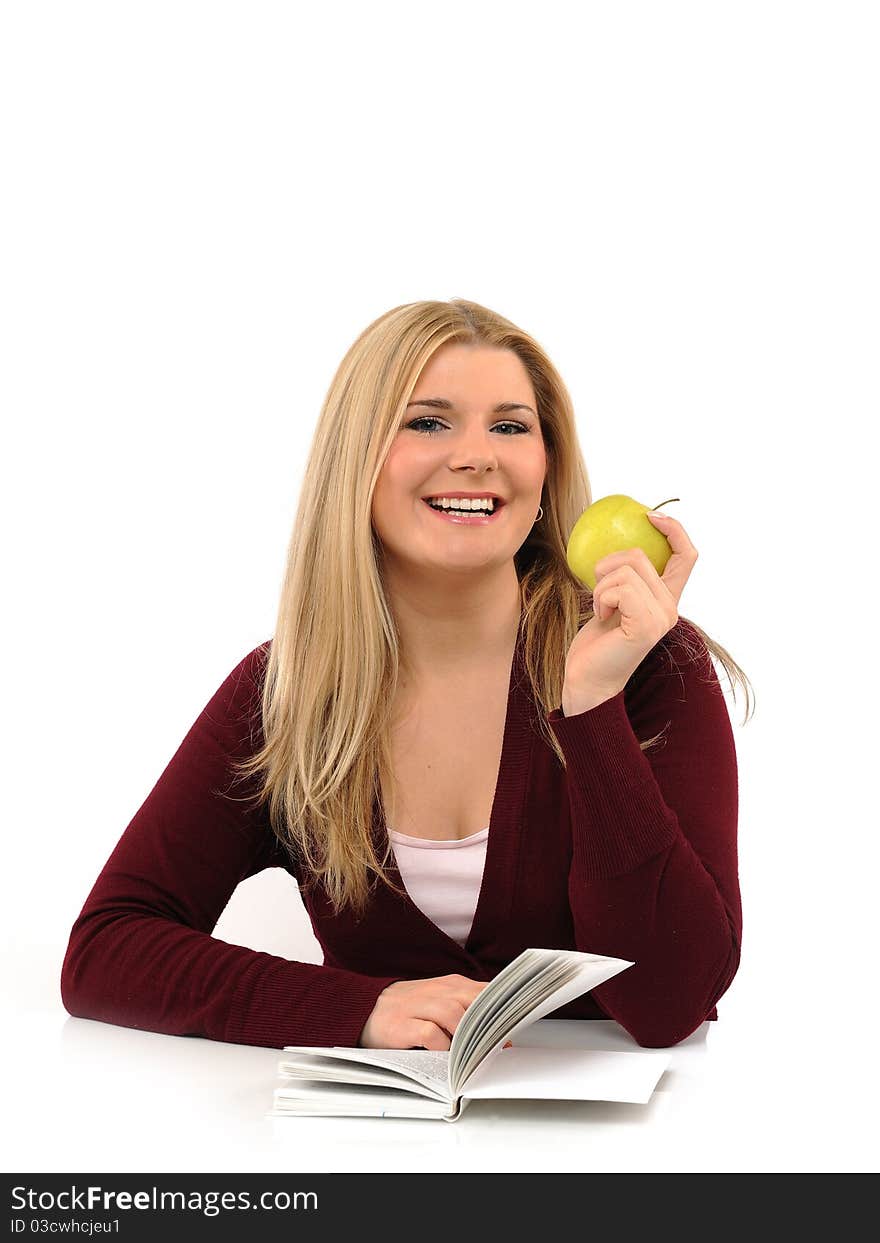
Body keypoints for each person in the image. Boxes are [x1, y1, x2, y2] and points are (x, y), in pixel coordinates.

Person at [61, 298, 752, 1053]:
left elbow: (672, 1002)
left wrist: (592, 710)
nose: (477, 454)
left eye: (511, 425)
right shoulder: (286, 693)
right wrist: (360, 1007)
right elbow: (106, 948)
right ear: (357, 456)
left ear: (546, 463)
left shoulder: (651, 663)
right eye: (428, 421)